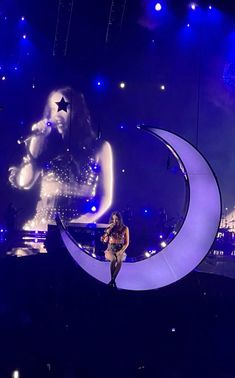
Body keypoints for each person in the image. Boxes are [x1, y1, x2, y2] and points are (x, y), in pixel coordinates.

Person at [9, 87, 113, 231]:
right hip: (41, 229)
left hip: (77, 230)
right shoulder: (47, 145)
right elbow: (24, 182)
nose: (56, 114)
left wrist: (80, 223)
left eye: (62, 107)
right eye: (52, 108)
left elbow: (106, 198)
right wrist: (36, 142)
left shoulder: (99, 147)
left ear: (76, 110)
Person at [101, 211, 129, 288]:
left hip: (120, 248)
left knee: (119, 261)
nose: (114, 221)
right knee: (113, 260)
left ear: (120, 219)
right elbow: (104, 241)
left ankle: (112, 281)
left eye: (116, 219)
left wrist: (121, 251)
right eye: (113, 219)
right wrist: (108, 231)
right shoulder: (110, 228)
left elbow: (126, 243)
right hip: (110, 249)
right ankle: (113, 281)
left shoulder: (125, 228)